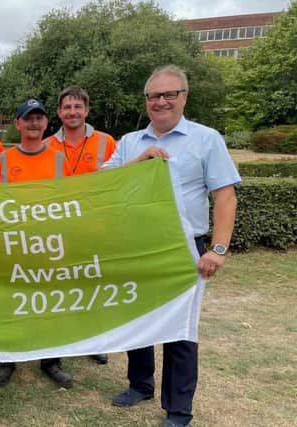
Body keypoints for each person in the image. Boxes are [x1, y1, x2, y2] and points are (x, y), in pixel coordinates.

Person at [103, 65, 240, 427]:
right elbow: (103, 184)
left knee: (180, 328)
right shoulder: (131, 141)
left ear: (184, 97)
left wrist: (219, 249)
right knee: (140, 318)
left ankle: (178, 409)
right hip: (138, 244)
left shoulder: (206, 138)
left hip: (183, 247)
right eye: (153, 96)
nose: (161, 102)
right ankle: (140, 384)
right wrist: (139, 162)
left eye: (169, 95)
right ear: (146, 101)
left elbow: (225, 195)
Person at [0, 99, 74, 388]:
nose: (34, 123)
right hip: (13, 245)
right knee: (11, 302)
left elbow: (69, 202)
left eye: (39, 118)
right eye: (28, 118)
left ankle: (51, 360)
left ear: (46, 123)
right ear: (17, 124)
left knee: (49, 304)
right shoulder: (3, 160)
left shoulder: (60, 160)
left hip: (49, 245)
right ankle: (7, 358)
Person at [44, 85, 117, 365]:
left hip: (94, 227)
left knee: (92, 283)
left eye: (78, 107)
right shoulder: (48, 144)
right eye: (67, 107)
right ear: (59, 112)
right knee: (61, 285)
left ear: (87, 110)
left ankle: (94, 340)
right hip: (58, 228)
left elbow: (120, 179)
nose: (72, 112)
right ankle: (60, 340)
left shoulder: (106, 142)